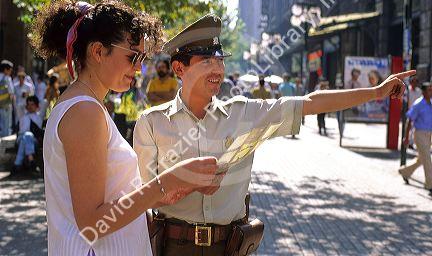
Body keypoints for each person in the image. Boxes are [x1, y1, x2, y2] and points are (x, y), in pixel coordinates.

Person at [134, 13, 415, 255]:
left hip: (230, 247)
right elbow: (142, 198)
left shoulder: (245, 114)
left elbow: (311, 102)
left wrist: (375, 92)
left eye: (220, 60)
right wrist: (188, 183)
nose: (218, 69)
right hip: (174, 248)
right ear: (179, 68)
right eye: (207, 60)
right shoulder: (152, 123)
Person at [32, 0, 220, 256]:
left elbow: (108, 201)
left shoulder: (84, 106)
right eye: (133, 56)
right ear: (98, 52)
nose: (139, 68)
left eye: (142, 58)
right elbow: (92, 223)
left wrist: (159, 195)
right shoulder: (84, 111)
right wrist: (166, 181)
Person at [399, 82, 432, 192]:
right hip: (419, 134)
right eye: (429, 90)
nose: (431, 92)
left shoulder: (431, 103)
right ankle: (429, 185)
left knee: (422, 159)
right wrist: (406, 137)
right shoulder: (418, 104)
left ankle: (405, 172)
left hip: (429, 135)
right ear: (423, 92)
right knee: (427, 159)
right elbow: (410, 120)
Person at [10, 96, 43, 174]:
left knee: (27, 137)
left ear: (37, 106)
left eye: (32, 104)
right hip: (20, 137)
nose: (30, 106)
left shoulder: (39, 116)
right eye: (28, 104)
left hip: (34, 140)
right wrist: (25, 98)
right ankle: (31, 160)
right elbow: (18, 105)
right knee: (26, 137)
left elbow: (45, 102)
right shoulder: (22, 115)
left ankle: (17, 165)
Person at [0, 59, 15, 137]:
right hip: (6, 104)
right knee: (7, 124)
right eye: (10, 70)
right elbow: (11, 92)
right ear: (6, 69)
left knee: (1, 124)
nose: (10, 72)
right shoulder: (7, 79)